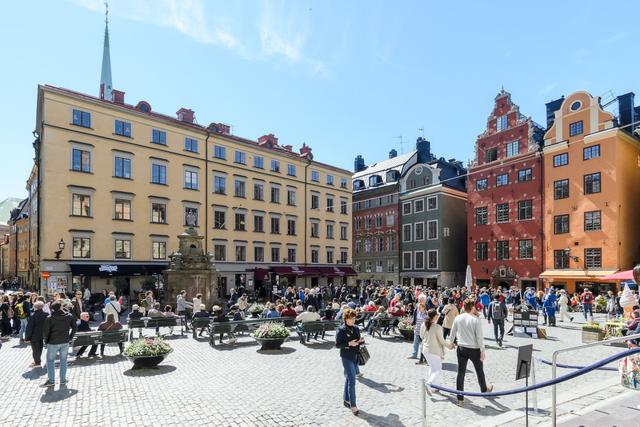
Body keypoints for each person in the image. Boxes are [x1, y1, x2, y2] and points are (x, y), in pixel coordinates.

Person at [449, 299, 493, 405]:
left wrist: (451, 342)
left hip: (461, 348)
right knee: (479, 371)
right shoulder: (476, 320)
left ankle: (460, 397)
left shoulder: (458, 318)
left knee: (461, 373)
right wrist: (482, 351)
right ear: (472, 307)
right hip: (474, 349)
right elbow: (479, 337)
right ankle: (483, 390)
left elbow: (452, 332)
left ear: (463, 307)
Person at [335, 308, 364, 416]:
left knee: (348, 378)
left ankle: (346, 399)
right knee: (352, 381)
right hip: (346, 357)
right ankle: (353, 405)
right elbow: (338, 345)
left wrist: (360, 341)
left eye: (354, 318)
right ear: (346, 318)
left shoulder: (356, 328)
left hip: (356, 356)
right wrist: (349, 344)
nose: (353, 320)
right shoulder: (341, 330)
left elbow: (359, 340)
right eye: (351, 319)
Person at [41, 301, 77, 387]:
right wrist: (70, 338)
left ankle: (51, 380)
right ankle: (63, 379)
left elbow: (46, 332)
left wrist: (46, 341)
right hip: (65, 341)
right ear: (61, 307)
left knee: (50, 361)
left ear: (52, 309)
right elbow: (75, 327)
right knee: (63, 361)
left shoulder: (49, 318)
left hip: (53, 342)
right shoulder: (69, 316)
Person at [420, 308, 454, 395]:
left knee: (432, 367)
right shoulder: (437, 327)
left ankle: (434, 387)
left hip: (425, 349)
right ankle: (429, 383)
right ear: (435, 317)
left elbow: (421, 336)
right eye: (437, 315)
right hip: (434, 351)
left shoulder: (424, 324)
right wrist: (450, 346)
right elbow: (442, 341)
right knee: (438, 369)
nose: (438, 316)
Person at [25, 301, 48, 368]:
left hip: (34, 336)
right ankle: (37, 361)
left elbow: (29, 328)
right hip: (43, 335)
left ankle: (37, 363)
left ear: (35, 307)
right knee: (39, 349)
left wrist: (27, 338)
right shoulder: (46, 314)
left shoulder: (33, 316)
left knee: (35, 350)